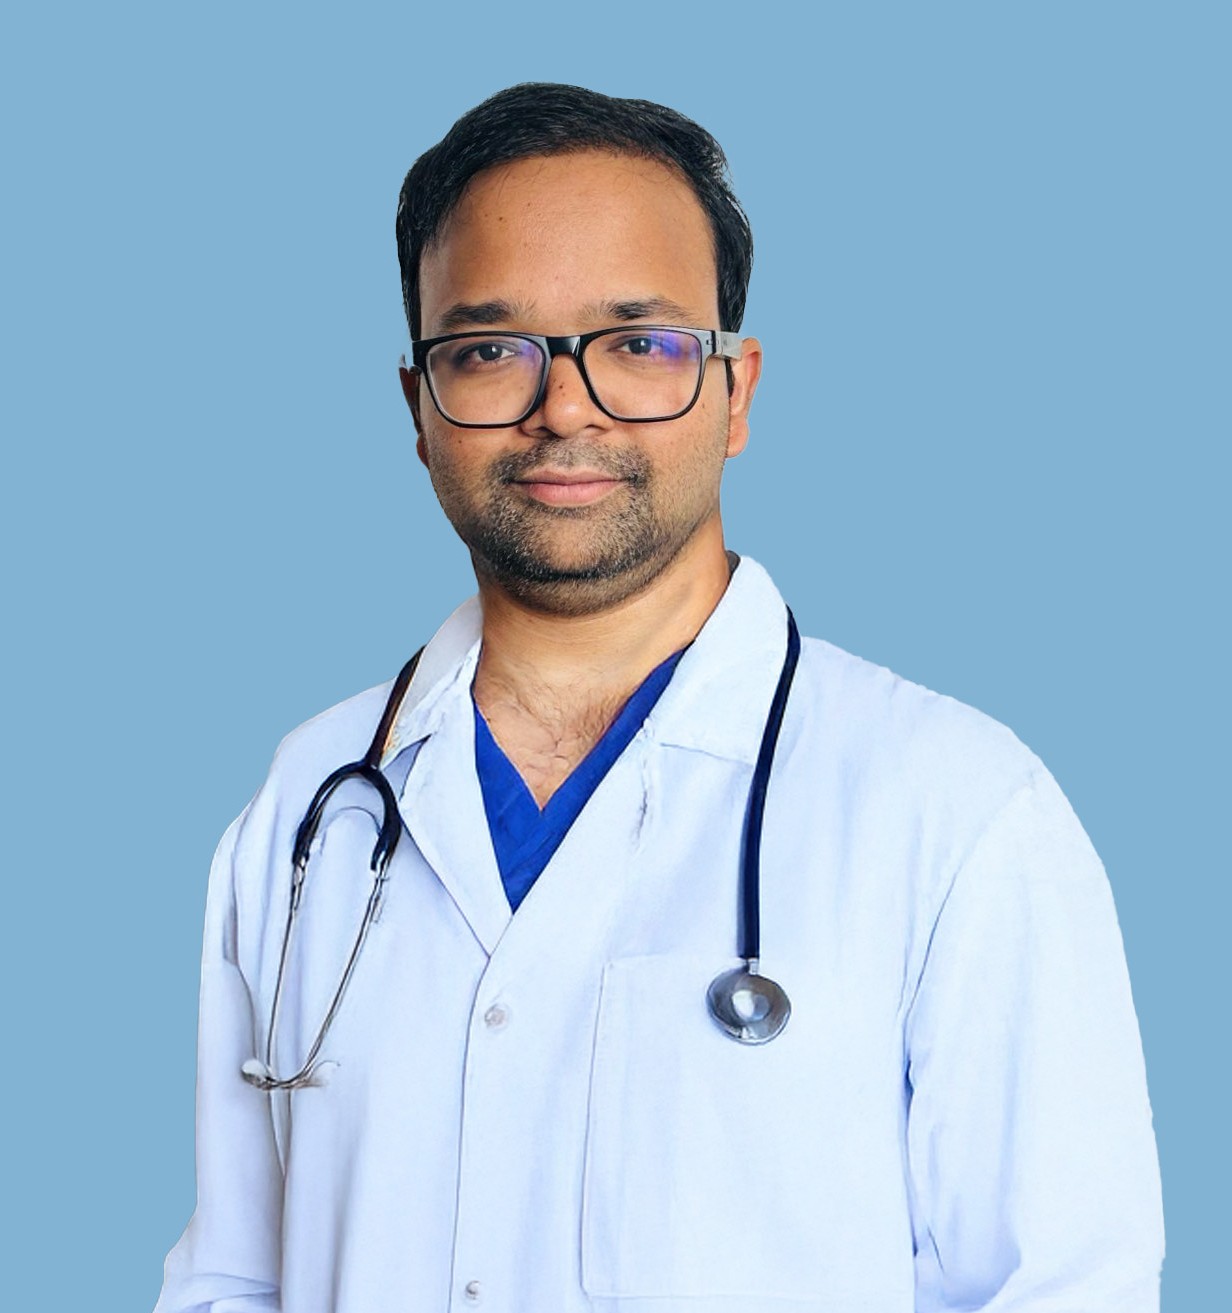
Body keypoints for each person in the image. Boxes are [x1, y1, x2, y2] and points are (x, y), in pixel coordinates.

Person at [155, 83, 1164, 1312]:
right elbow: (230, 1279)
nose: (562, 407)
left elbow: (1059, 1288)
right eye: (488, 350)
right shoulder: (310, 801)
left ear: (735, 391)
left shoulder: (953, 808)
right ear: (418, 407)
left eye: (636, 344)